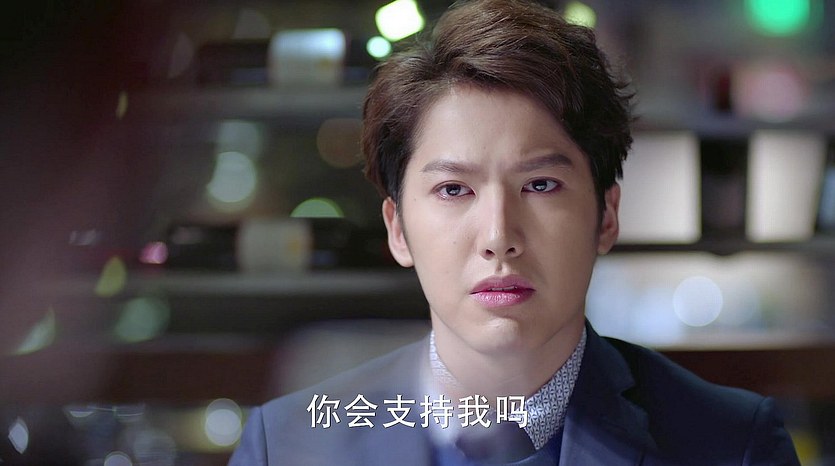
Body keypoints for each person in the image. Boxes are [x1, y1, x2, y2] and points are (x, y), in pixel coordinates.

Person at [229, 0, 800, 464]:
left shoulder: (732, 444)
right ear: (397, 229)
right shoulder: (286, 445)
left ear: (605, 216)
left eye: (541, 185)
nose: (499, 235)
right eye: (454, 190)